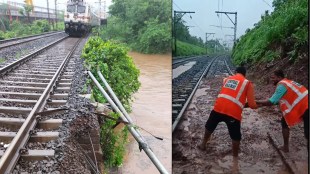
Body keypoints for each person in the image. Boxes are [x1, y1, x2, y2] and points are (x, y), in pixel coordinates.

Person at [198, 66, 258, 157]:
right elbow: (252, 105)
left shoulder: (227, 79)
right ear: (245, 74)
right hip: (233, 113)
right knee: (235, 136)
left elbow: (228, 90)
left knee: (209, 126)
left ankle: (203, 144)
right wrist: (259, 104)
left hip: (218, 108)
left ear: (235, 72)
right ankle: (235, 157)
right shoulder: (247, 83)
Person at [256, 70, 308, 152]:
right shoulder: (287, 82)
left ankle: (286, 148)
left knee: (307, 134)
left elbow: (271, 102)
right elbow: (277, 101)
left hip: (305, 105)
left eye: (273, 78)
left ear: (279, 77)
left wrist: (255, 102)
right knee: (284, 122)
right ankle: (286, 147)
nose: (272, 80)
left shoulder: (282, 85)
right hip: (304, 104)